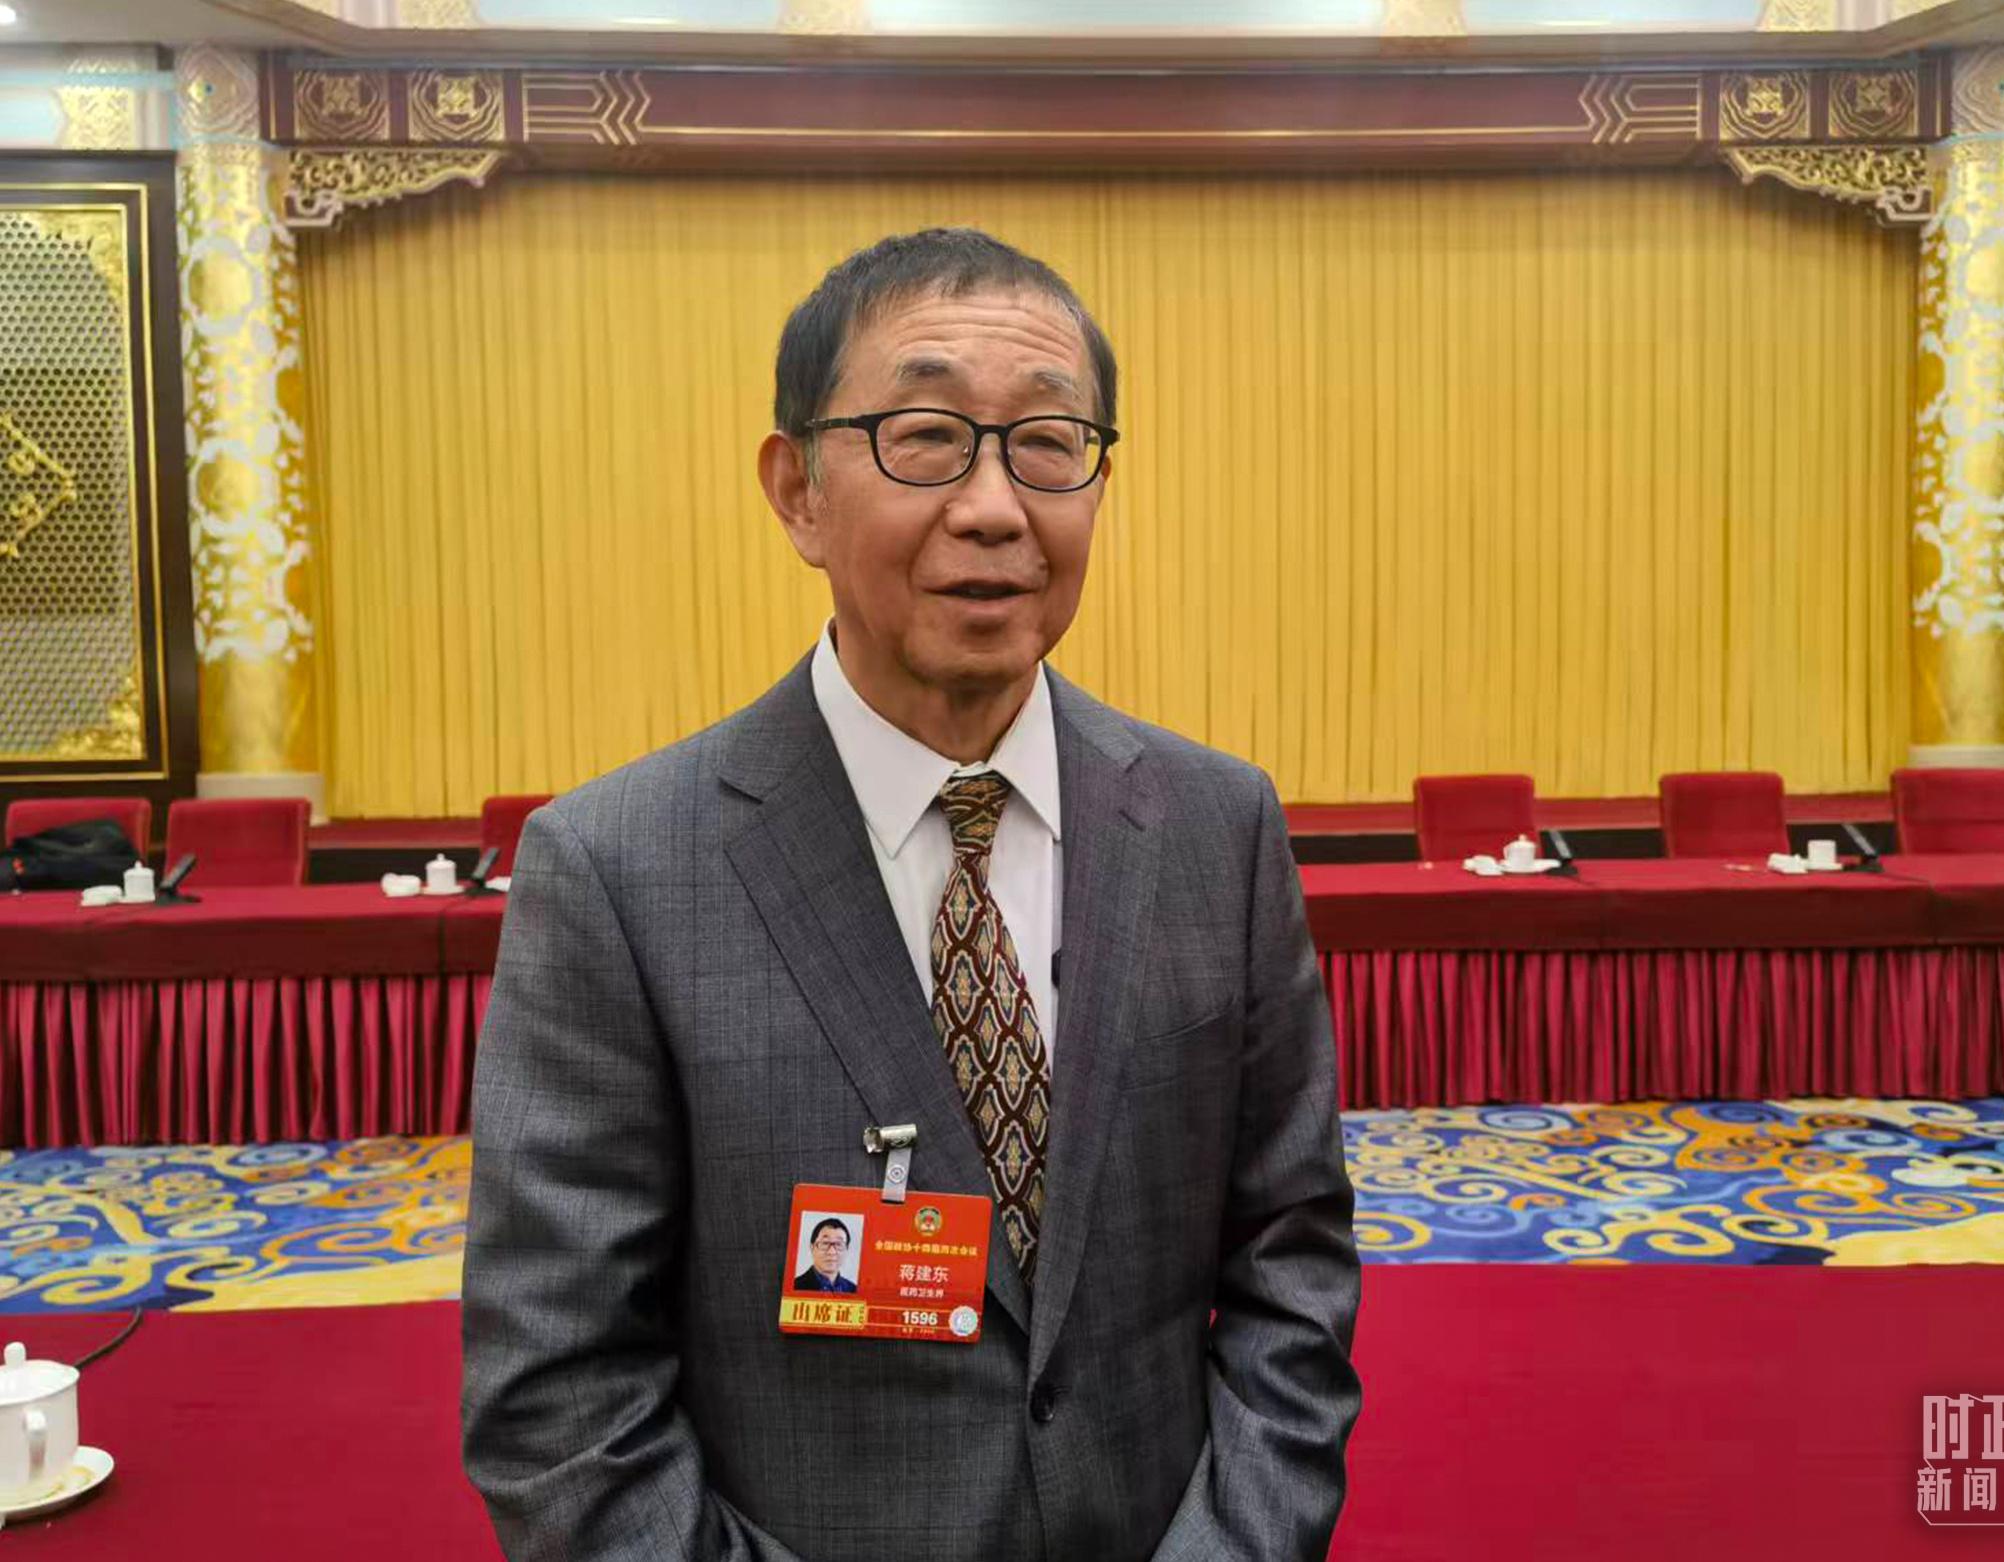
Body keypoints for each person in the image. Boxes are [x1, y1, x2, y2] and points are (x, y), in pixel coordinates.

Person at [462, 227, 1361, 1562]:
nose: (995, 507)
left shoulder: (1214, 825)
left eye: (1047, 443)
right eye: (925, 437)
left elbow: (1292, 1263)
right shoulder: (617, 868)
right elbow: (562, 1399)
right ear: (797, 491)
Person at [793, 1217, 858, 1293]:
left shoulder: (854, 1290)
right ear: (812, 1248)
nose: (831, 1252)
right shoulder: (795, 1286)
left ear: (847, 1250)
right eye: (825, 1243)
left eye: (839, 1244)